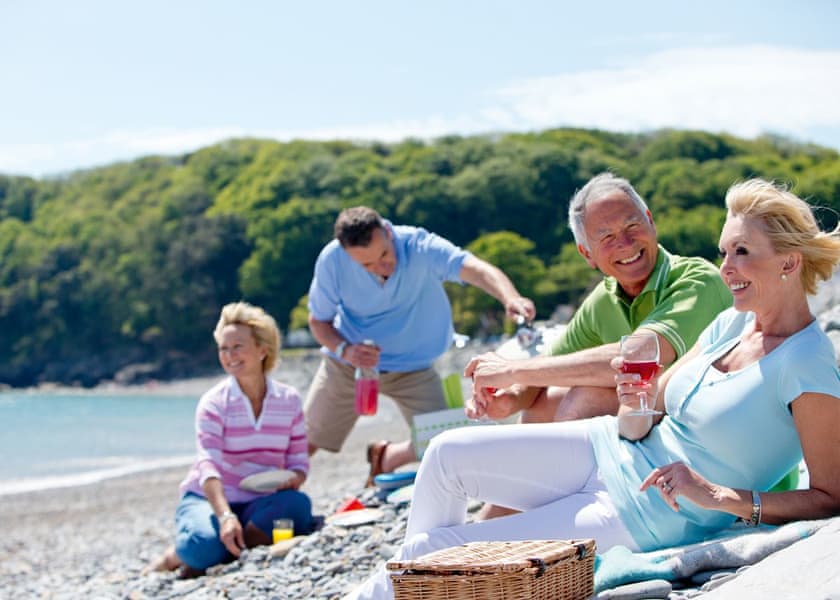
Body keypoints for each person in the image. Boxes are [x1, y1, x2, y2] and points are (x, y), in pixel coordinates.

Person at [346, 179, 840, 600]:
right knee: (446, 454)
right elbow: (653, 401)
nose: (725, 267)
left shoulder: (808, 364)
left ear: (789, 263)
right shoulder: (733, 323)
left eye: (741, 253)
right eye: (724, 252)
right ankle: (428, 588)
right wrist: (634, 404)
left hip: (645, 514)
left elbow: (829, 496)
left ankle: (413, 585)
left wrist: (722, 497)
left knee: (432, 553)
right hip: (609, 447)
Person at [467, 171, 732, 519]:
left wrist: (512, 368)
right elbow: (540, 380)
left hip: (714, 446)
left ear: (651, 222)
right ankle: (489, 529)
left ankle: (564, 520)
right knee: (544, 403)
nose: (625, 243)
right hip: (652, 433)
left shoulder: (697, 280)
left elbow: (636, 358)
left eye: (632, 226)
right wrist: (507, 398)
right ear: (587, 253)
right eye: (606, 236)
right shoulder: (603, 300)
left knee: (584, 399)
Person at [305, 206, 535, 484]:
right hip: (349, 365)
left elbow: (475, 269)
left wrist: (509, 297)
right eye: (367, 265)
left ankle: (388, 456)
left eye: (384, 255)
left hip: (412, 367)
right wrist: (346, 350)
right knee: (306, 442)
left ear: (389, 233)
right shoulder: (332, 260)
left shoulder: (419, 245)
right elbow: (319, 321)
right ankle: (269, 499)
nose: (381, 267)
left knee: (447, 442)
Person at [147, 302, 313, 577]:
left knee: (298, 505)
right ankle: (178, 555)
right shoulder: (214, 403)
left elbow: (298, 462)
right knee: (201, 547)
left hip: (261, 499)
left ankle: (229, 545)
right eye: (224, 348)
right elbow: (207, 466)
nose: (229, 355)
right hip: (210, 499)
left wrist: (294, 477)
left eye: (238, 347)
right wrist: (225, 516)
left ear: (263, 350)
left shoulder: (289, 400)